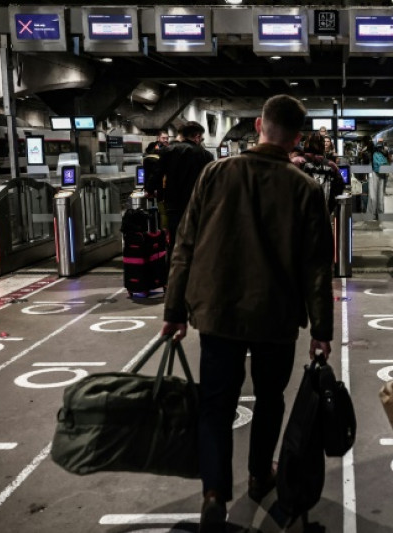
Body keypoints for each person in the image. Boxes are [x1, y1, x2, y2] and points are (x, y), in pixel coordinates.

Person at [160, 95, 334, 532]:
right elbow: (317, 266)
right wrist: (321, 327)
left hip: (217, 312)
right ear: (297, 137)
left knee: (216, 405)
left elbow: (184, 245)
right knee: (270, 399)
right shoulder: (305, 188)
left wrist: (174, 309)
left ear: (259, 124)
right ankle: (260, 475)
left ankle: (215, 493)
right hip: (275, 316)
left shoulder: (215, 173)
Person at [158, 121, 214, 257]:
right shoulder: (206, 155)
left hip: (173, 204)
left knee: (175, 239)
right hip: (198, 204)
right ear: (197, 136)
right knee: (197, 239)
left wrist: (150, 190)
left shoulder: (168, 151)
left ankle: (172, 271)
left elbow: (158, 174)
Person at [291, 132, 346, 215]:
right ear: (322, 147)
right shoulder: (331, 165)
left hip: (299, 216)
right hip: (323, 215)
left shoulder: (296, 162)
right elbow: (339, 188)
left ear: (306, 144)